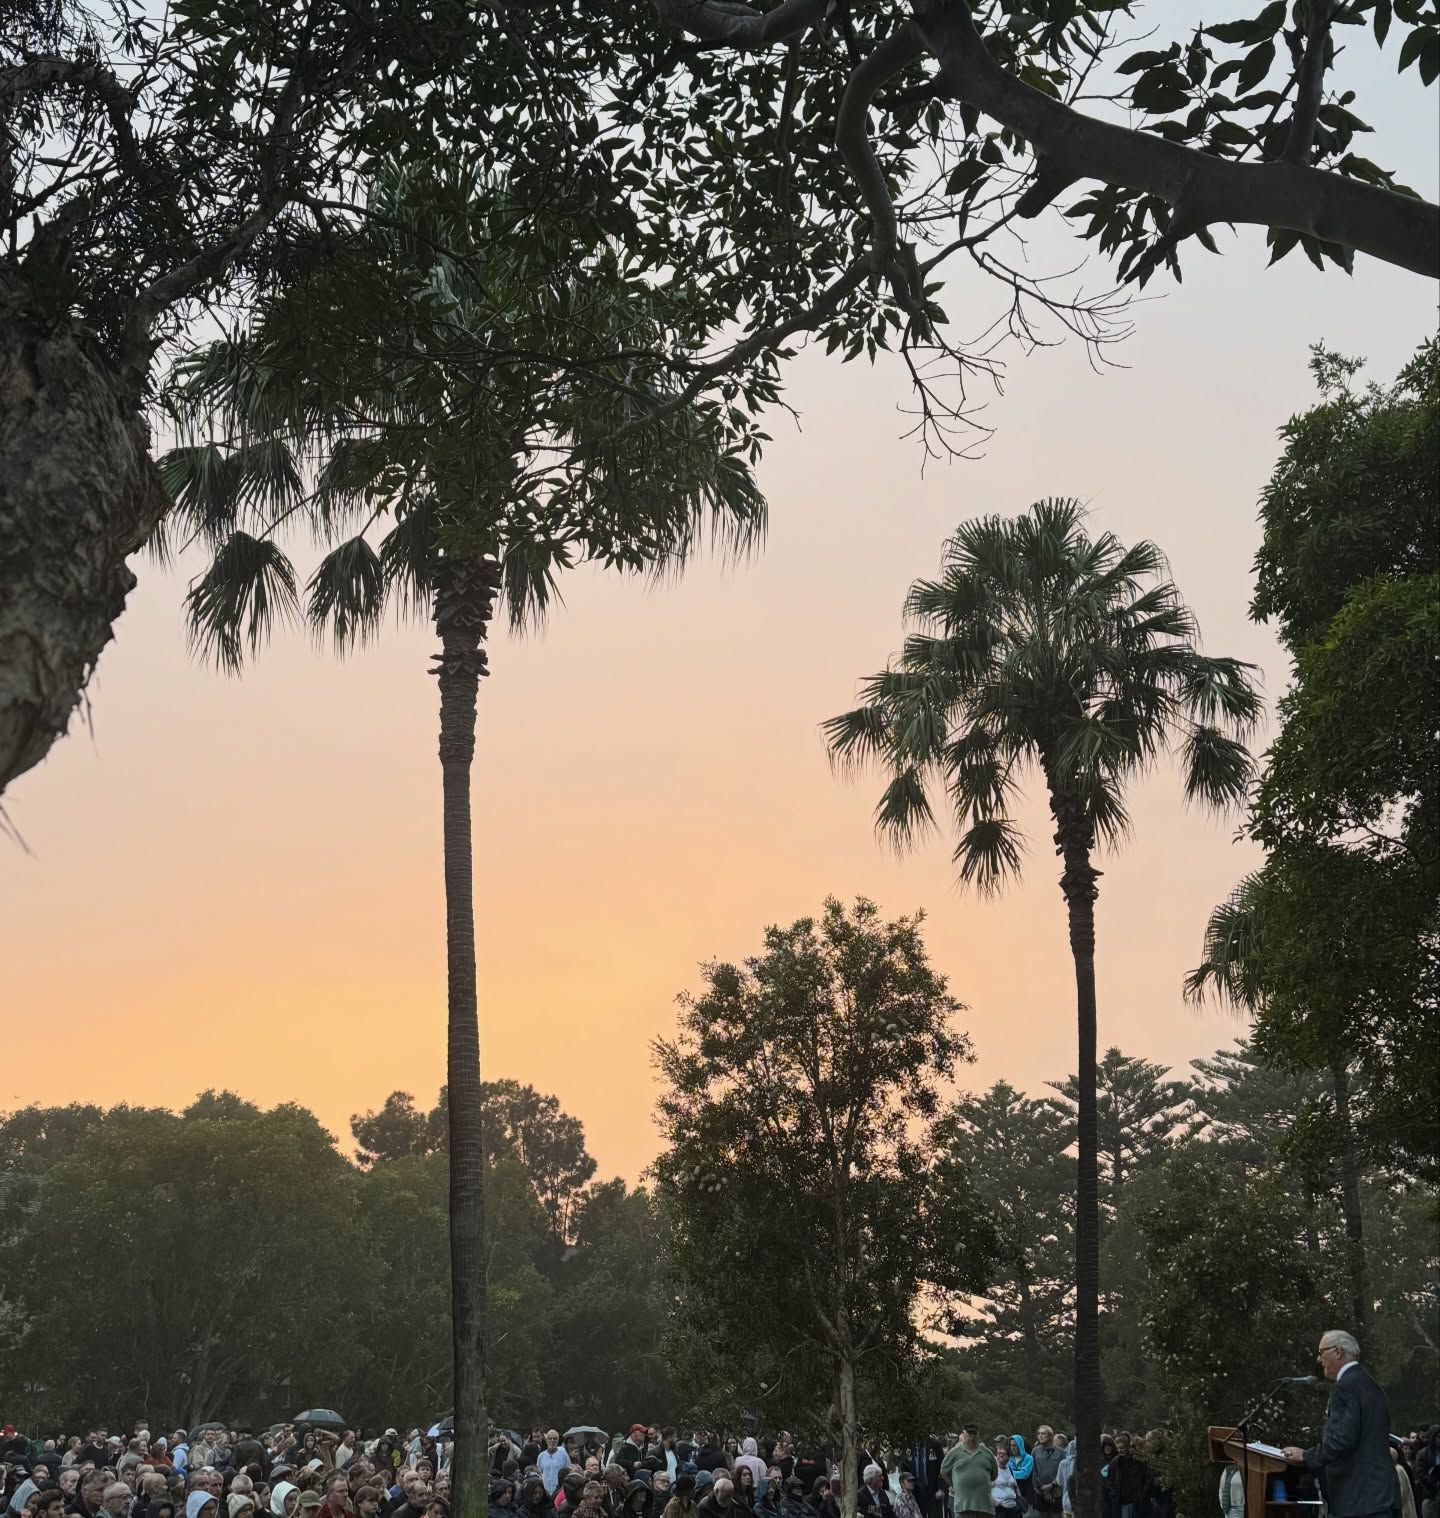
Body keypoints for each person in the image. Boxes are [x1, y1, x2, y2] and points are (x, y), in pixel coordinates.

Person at [1282, 1330, 1397, 1518]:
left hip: (1357, 1499)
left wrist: (1306, 1456)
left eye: (1321, 1352)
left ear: (1338, 1352)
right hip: (1379, 1496)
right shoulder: (1372, 1385)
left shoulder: (1344, 1387)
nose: (1319, 1359)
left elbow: (1341, 1440)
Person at [941, 1429, 995, 1518]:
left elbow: (993, 1474)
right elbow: (944, 1472)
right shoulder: (953, 1454)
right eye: (961, 1441)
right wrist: (955, 1484)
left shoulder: (984, 1453)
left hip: (983, 1504)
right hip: (959, 1502)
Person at [1031, 1432, 1062, 1518]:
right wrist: (1043, 1489)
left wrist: (1051, 1485)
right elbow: (1033, 1472)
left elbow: (1061, 1473)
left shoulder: (1061, 1453)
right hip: (1039, 1492)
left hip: (1057, 1492)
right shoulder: (1035, 1452)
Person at [989, 1444, 1020, 1518]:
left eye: (1003, 1454)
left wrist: (1020, 1499)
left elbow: (1015, 1486)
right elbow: (986, 1489)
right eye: (999, 1453)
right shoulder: (992, 1470)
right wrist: (994, 1502)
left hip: (1013, 1507)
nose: (1001, 1455)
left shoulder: (1010, 1469)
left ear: (1008, 1457)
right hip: (1000, 1508)